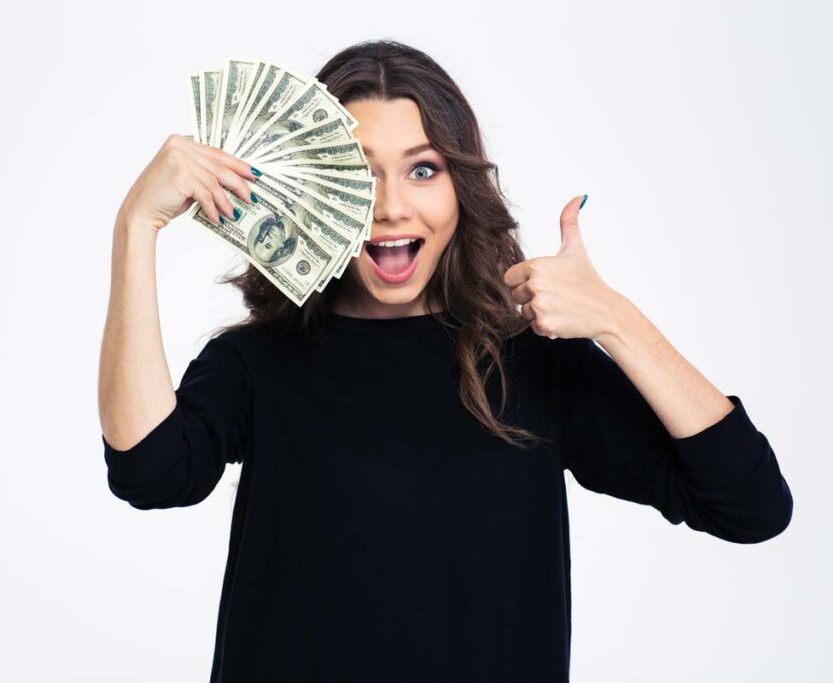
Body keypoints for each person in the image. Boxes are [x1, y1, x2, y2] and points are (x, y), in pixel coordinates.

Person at [97, 40, 793, 683]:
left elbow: (750, 503)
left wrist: (614, 318)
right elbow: (149, 471)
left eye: (422, 170)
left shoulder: (533, 364)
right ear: (316, 189)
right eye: (358, 174)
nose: (392, 207)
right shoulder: (256, 364)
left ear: (461, 188)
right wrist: (137, 225)